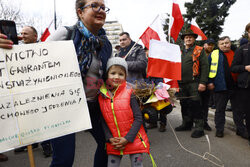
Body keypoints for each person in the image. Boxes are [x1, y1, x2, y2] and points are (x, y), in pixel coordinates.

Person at [0, 0, 112, 166]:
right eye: (94, 5)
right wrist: (5, 49)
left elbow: (106, 75)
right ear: (80, 12)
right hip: (62, 106)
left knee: (107, 146)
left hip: (92, 105)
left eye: (103, 7)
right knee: (64, 159)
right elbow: (34, 62)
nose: (101, 10)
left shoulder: (105, 43)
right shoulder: (66, 34)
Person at [98, 57, 149, 167]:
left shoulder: (130, 93)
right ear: (107, 74)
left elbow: (138, 118)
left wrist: (127, 138)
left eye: (121, 74)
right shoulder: (102, 96)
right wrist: (109, 137)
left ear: (126, 76)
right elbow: (103, 120)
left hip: (134, 139)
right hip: (115, 142)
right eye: (113, 73)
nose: (116, 77)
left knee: (138, 165)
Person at [12, 26, 53, 158]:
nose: (22, 36)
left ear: (35, 36)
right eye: (21, 33)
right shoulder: (16, 51)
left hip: (41, 93)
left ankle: (47, 145)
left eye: (26, 34)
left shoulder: (44, 50)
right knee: (29, 121)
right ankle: (30, 143)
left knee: (43, 120)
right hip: (24, 93)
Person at [207, 36, 247, 138]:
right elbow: (207, 68)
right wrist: (210, 82)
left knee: (238, 110)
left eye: (227, 43)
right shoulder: (214, 54)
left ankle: (241, 130)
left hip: (237, 87)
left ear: (230, 43)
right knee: (220, 109)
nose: (225, 45)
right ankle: (219, 129)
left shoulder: (238, 52)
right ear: (218, 45)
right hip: (220, 87)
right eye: (222, 43)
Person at [175, 29, 209, 138]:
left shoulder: (199, 50)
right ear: (184, 40)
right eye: (186, 37)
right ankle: (187, 124)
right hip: (181, 83)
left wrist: (203, 82)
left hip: (194, 82)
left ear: (194, 39)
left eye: (190, 37)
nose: (188, 38)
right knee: (184, 104)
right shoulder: (179, 52)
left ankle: (199, 128)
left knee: (196, 105)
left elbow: (204, 66)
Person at [231, 22, 250, 144]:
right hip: (246, 87)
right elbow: (233, 68)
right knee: (248, 113)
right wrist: (245, 68)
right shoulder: (242, 49)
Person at [200, 38, 216, 131]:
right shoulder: (198, 54)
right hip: (199, 83)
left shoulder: (214, 55)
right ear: (204, 45)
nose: (210, 46)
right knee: (197, 104)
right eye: (208, 44)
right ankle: (196, 122)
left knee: (205, 105)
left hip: (209, 84)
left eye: (212, 45)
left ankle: (204, 122)